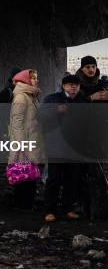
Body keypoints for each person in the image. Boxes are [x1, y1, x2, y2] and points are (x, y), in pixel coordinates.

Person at [39, 74, 87, 222]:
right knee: (54, 179)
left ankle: (68, 208)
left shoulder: (82, 100)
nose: (74, 87)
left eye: (77, 85)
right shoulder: (52, 99)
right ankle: (49, 210)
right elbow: (39, 116)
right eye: (71, 85)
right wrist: (56, 111)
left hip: (74, 147)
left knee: (72, 179)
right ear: (63, 86)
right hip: (56, 146)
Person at [9, 69, 45, 210]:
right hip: (25, 143)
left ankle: (26, 204)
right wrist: (21, 144)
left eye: (36, 77)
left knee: (29, 174)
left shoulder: (30, 96)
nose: (36, 80)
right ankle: (22, 205)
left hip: (31, 141)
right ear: (25, 80)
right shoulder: (21, 97)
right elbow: (16, 122)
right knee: (22, 174)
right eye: (34, 78)